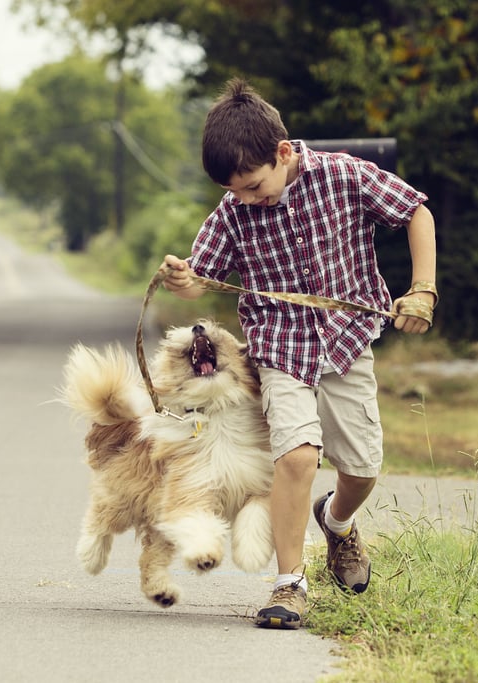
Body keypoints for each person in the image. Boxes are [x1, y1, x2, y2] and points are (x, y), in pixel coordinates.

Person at [161, 78, 437, 630]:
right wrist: (182, 280)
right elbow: (203, 279)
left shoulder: (342, 175)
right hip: (279, 349)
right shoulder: (233, 212)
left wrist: (423, 289)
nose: (247, 200)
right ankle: (289, 585)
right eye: (235, 192)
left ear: (283, 153)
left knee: (361, 469)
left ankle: (336, 523)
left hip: (347, 343)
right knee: (296, 457)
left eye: (255, 187)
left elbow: (416, 213)